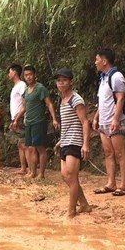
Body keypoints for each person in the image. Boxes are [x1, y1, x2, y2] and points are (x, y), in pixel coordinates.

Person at [92, 47, 125, 196]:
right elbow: (103, 101)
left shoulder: (116, 76)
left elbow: (121, 98)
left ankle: (124, 185)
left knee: (120, 153)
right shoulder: (103, 78)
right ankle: (111, 182)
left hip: (115, 121)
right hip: (104, 121)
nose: (95, 62)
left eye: (97, 59)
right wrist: (96, 117)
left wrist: (115, 118)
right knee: (108, 152)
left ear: (104, 61)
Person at [55, 68, 91, 217]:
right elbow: (67, 124)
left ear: (71, 82)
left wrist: (85, 144)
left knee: (71, 176)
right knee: (66, 176)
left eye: (64, 80)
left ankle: (71, 211)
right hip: (65, 142)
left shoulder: (76, 99)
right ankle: (84, 204)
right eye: (59, 81)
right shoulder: (63, 101)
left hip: (75, 142)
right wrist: (60, 141)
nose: (61, 83)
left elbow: (85, 122)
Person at [18, 65, 58, 179]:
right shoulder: (26, 91)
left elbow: (49, 104)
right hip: (29, 122)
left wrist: (54, 119)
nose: (28, 77)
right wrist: (16, 119)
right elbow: (24, 107)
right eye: (26, 75)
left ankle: (41, 173)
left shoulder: (40, 88)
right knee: (31, 148)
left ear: (35, 75)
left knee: (40, 148)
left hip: (39, 122)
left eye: (30, 74)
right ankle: (33, 172)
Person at [8, 63, 28, 176]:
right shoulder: (16, 86)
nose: (9, 74)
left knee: (24, 143)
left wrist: (17, 118)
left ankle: (28, 168)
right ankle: (23, 167)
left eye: (10, 72)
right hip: (16, 117)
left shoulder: (21, 85)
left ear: (14, 72)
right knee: (20, 144)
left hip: (19, 116)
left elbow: (24, 103)